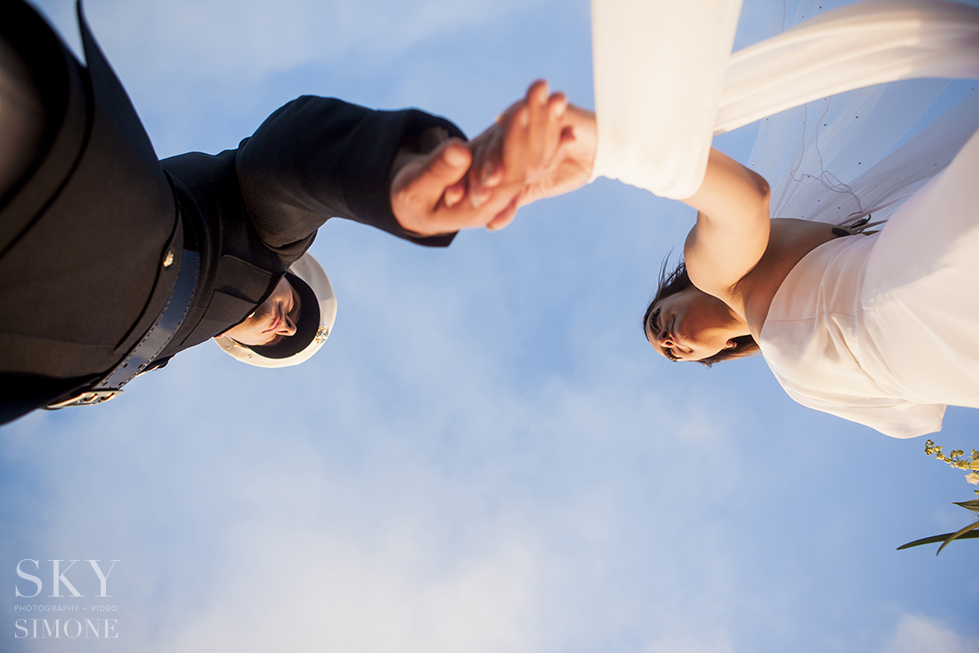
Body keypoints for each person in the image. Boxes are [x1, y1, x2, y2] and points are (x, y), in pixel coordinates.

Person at [0, 0, 570, 424]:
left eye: (284, 338)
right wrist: (384, 175)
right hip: (82, 201)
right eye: (297, 306)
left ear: (240, 347)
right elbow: (287, 164)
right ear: (292, 274)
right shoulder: (269, 242)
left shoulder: (162, 354)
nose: (288, 323)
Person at [467, 0, 979, 438]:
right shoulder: (786, 363)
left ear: (683, 285)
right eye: (673, 354)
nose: (668, 341)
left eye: (659, 321)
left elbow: (745, 201)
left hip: (914, 285)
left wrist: (618, 149)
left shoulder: (720, 273)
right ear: (717, 353)